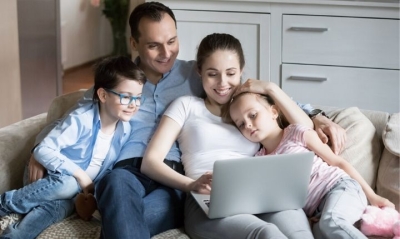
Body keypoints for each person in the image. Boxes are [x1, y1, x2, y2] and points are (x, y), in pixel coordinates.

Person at [25, 2, 346, 238]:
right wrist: (39, 147)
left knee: (132, 221)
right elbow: (77, 110)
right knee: (117, 185)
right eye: (154, 45)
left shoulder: (195, 75)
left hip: (175, 177)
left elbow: (255, 98)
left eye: (172, 41)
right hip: (128, 170)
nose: (166, 53)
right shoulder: (119, 78)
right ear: (135, 44)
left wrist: (316, 116)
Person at [141, 33, 314, 239]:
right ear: (199, 72)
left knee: (300, 233)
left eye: (231, 73)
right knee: (266, 233)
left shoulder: (253, 109)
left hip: (262, 194)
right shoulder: (186, 106)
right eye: (212, 74)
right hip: (208, 199)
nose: (223, 83)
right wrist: (191, 184)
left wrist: (270, 88)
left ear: (241, 71)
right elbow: (150, 162)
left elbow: (305, 129)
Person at [0, 56, 146, 237]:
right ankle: (4, 203)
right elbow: (42, 150)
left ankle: (14, 236)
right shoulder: (81, 119)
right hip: (49, 177)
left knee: (58, 208)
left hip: (73, 194)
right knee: (68, 184)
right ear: (102, 95)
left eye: (138, 98)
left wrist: (90, 199)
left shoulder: (125, 129)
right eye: (126, 97)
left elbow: (105, 171)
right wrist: (81, 176)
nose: (134, 105)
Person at [227, 88, 396, 239]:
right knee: (321, 230)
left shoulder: (296, 133)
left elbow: (338, 162)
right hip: (317, 211)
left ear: (273, 112)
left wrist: (372, 197)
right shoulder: (258, 161)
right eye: (241, 124)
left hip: (340, 188)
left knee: (332, 222)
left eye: (253, 115)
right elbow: (282, 201)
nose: (248, 124)